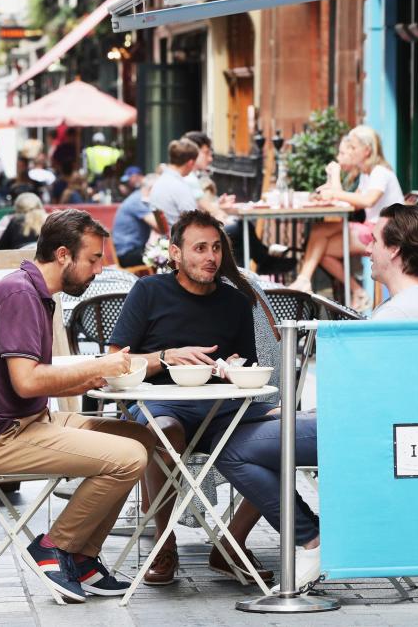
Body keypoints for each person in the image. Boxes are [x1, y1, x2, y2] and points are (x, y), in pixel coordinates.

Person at [213, 203, 418, 593]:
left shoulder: (398, 315)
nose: (366, 248)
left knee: (232, 449)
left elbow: (366, 395)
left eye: (374, 240)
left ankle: (312, 540)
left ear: (395, 251)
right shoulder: (412, 304)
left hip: (359, 432)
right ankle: (307, 537)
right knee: (255, 434)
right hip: (367, 425)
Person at [0, 210, 155, 602]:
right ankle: (54, 546)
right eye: (94, 259)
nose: (100, 269)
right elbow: (27, 381)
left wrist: (92, 373)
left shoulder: (33, 292)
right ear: (63, 255)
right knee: (129, 456)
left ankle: (82, 557)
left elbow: (33, 378)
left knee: (141, 440)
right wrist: (96, 367)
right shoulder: (21, 295)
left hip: (29, 422)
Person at [107, 210, 276, 586]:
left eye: (216, 248)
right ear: (176, 253)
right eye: (199, 248)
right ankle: (163, 543)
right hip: (159, 401)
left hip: (223, 408)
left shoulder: (235, 302)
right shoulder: (149, 291)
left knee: (284, 439)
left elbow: (242, 362)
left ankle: (230, 544)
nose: (210, 257)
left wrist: (231, 366)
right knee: (165, 431)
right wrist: (167, 357)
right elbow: (115, 360)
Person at [289, 125, 404, 310]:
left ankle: (315, 282)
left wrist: (334, 184)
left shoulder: (380, 172)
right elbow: (352, 203)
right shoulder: (367, 174)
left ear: (366, 151)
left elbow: (366, 201)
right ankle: (308, 280)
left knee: (321, 244)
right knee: (319, 239)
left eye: (353, 148)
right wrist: (331, 190)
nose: (350, 152)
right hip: (371, 227)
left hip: (384, 232)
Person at [182, 131, 294, 275]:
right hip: (195, 231)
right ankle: (262, 262)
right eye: (206, 153)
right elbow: (210, 210)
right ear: (194, 152)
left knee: (239, 231)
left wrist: (220, 207)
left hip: (193, 228)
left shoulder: (190, 176)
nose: (210, 158)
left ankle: (252, 268)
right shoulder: (190, 178)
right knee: (241, 227)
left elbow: (205, 207)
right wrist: (222, 213)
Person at [113, 173, 161, 267]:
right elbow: (159, 226)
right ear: (152, 189)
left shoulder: (139, 198)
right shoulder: (137, 201)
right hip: (127, 253)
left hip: (132, 249)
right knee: (164, 256)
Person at [149, 139, 199, 229]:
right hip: (180, 238)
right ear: (190, 163)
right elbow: (193, 220)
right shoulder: (179, 186)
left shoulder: (160, 182)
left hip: (168, 237)